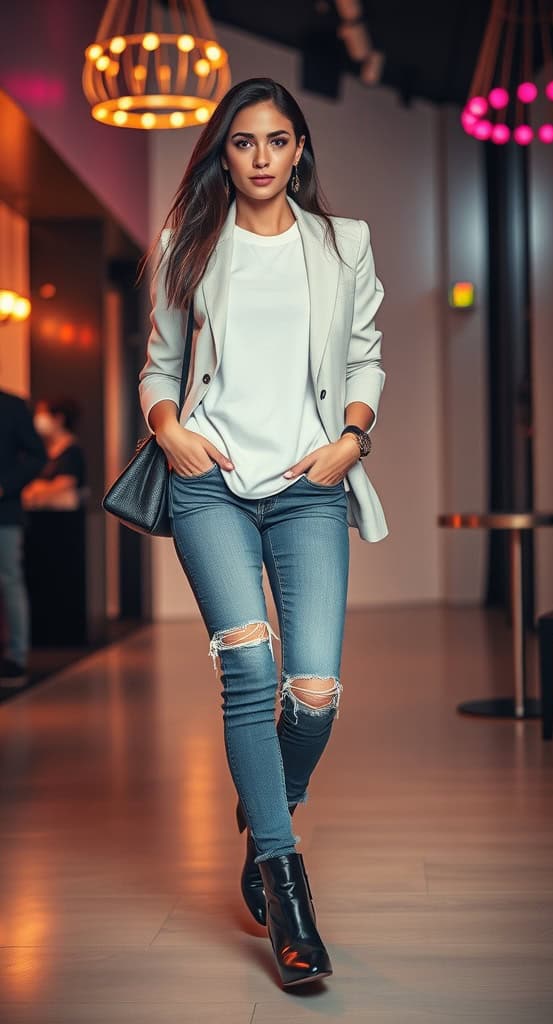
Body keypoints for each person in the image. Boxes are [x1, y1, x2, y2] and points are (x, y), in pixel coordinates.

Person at [138, 77, 388, 988]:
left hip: (310, 483)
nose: (261, 159)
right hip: (210, 484)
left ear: (299, 149)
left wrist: (352, 438)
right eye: (243, 142)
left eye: (277, 141)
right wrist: (168, 430)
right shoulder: (188, 241)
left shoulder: (341, 243)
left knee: (313, 689)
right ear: (223, 151)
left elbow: (365, 353)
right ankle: (286, 893)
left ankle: (267, 813)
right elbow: (161, 365)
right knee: (248, 665)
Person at [0, 389, 47, 684]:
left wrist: (5, 487)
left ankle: (17, 657)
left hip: (4, 511)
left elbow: (37, 456)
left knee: (9, 579)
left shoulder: (11, 405)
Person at [22, 398, 86, 510]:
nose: (37, 418)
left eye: (42, 413)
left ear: (59, 418)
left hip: (65, 519)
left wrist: (38, 490)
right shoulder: (42, 450)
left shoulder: (72, 451)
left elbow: (65, 483)